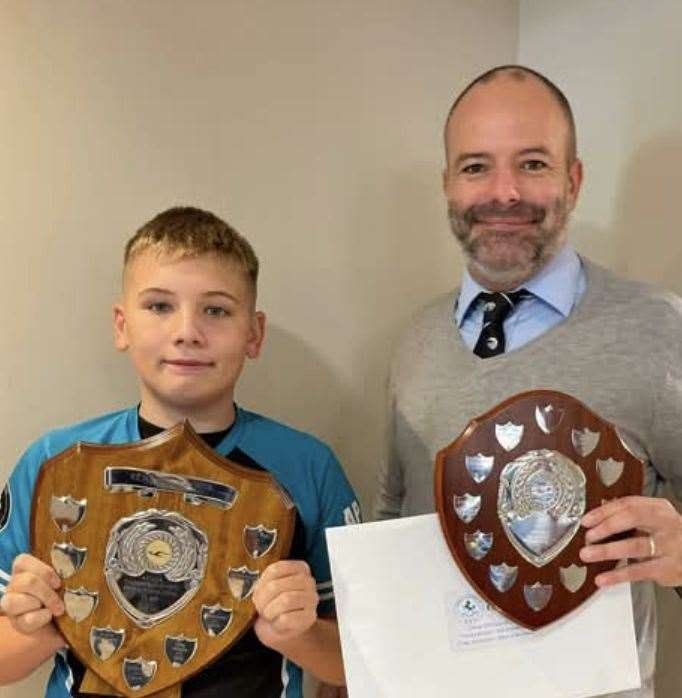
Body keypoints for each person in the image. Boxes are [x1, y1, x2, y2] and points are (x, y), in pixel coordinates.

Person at [374, 65, 682, 696]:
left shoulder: (662, 328)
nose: (504, 192)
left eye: (534, 163)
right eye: (476, 166)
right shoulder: (414, 342)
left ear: (574, 179)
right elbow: (393, 525)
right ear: (448, 184)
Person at [0, 206, 359, 697]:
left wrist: (298, 635)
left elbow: (361, 659)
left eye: (216, 309)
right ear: (121, 325)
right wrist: (36, 627)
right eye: (159, 306)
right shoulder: (54, 464)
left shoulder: (307, 467)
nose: (187, 331)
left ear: (253, 333)